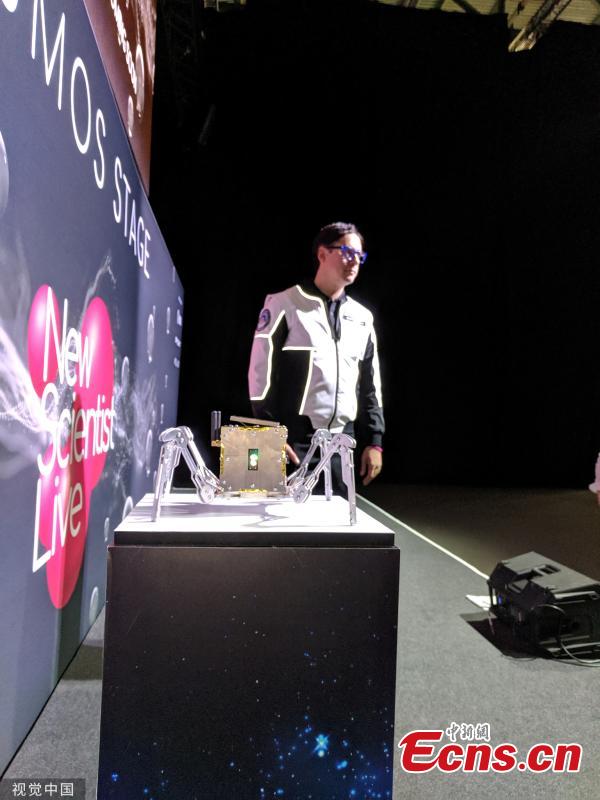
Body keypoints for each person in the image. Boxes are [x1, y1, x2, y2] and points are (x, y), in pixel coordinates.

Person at [248, 221, 384, 491]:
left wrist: (375, 441)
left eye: (360, 256)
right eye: (347, 252)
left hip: (342, 444)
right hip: (293, 443)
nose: (354, 261)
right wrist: (268, 432)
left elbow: (371, 385)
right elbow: (259, 373)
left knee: (339, 516)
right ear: (322, 254)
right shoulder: (285, 304)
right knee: (287, 516)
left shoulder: (362, 318)